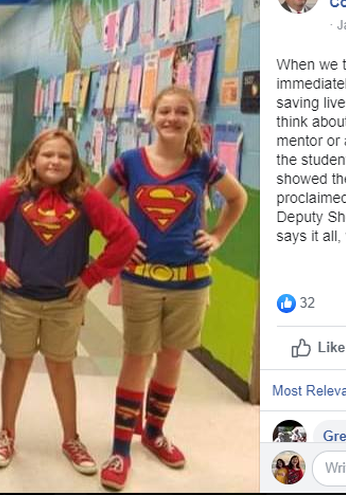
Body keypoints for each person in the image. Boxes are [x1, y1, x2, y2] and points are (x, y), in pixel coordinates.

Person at [94, 86, 249, 490]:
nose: (173, 118)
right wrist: (122, 242)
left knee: (172, 358)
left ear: (193, 119)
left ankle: (154, 432)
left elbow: (238, 199)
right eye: (165, 110)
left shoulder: (204, 164)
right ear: (152, 115)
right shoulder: (130, 162)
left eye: (182, 111)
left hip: (191, 280)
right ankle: (120, 448)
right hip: (142, 280)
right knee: (136, 358)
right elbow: (96, 203)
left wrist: (218, 236)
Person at [0, 129, 138, 474]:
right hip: (18, 300)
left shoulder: (84, 197)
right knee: (17, 363)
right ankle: (6, 433)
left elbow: (126, 236)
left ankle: (71, 438)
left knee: (61, 366)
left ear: (74, 164)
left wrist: (91, 276)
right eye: (47, 155)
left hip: (64, 301)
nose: (55, 161)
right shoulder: (14, 191)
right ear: (32, 159)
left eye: (64, 156)